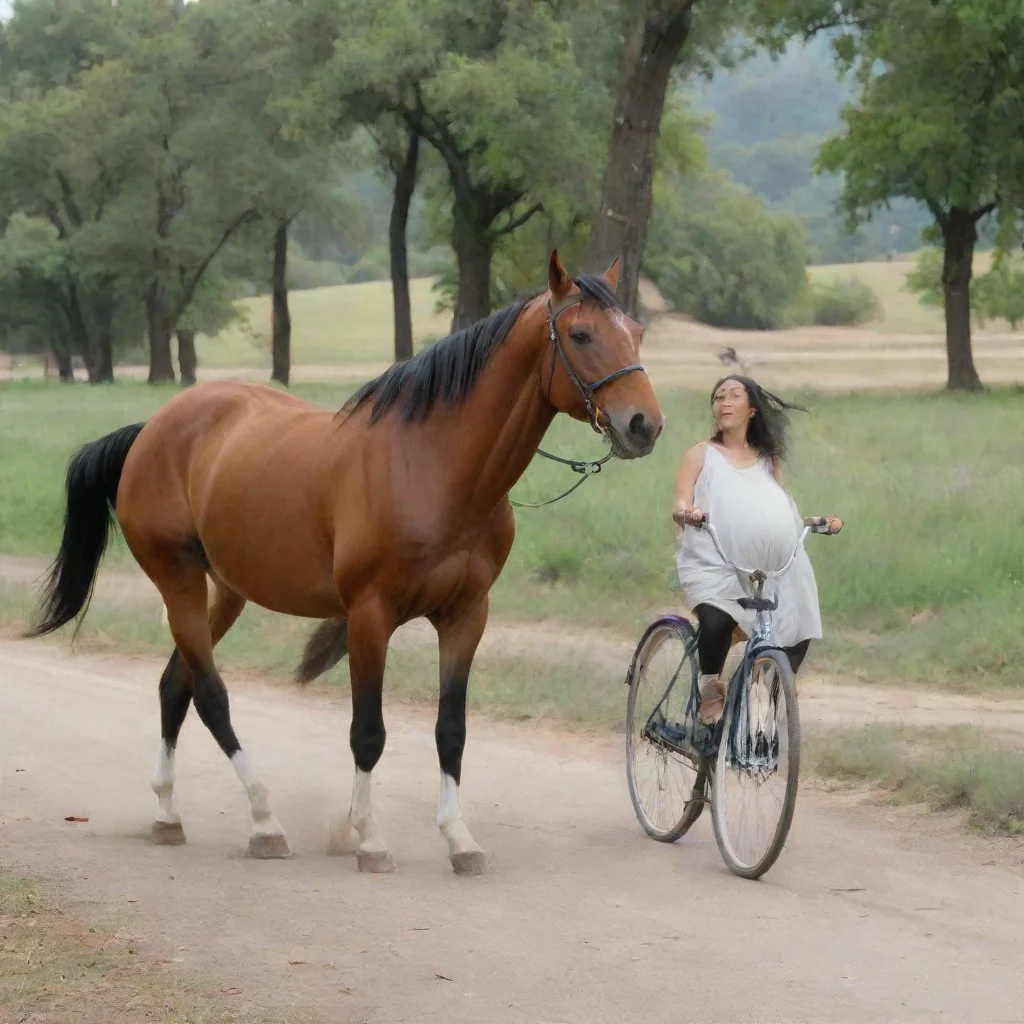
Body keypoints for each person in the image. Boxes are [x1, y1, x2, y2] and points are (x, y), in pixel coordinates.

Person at [672, 375, 842, 725]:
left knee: (800, 629)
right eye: (718, 397)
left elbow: (779, 503)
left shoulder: (768, 458)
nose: (724, 402)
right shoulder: (701, 454)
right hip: (715, 562)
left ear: (752, 409)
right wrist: (686, 512)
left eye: (734, 395)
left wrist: (820, 521)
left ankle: (761, 699)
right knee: (716, 618)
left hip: (772, 571)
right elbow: (679, 502)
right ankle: (710, 688)